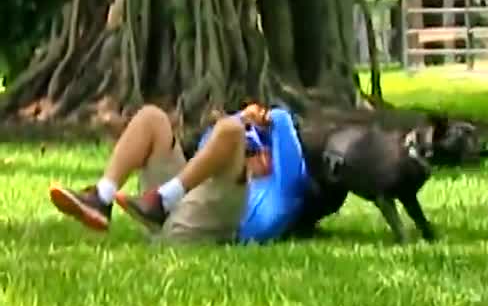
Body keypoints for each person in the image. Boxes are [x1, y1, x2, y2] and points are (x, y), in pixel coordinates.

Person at [49, 101, 308, 244]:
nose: (249, 155)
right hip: (182, 199)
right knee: (152, 117)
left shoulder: (283, 191)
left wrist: (269, 116)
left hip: (212, 224)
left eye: (252, 151)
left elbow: (279, 125)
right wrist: (244, 116)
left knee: (231, 130)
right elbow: (211, 141)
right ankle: (102, 198)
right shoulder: (218, 159)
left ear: (271, 156)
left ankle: (161, 201)